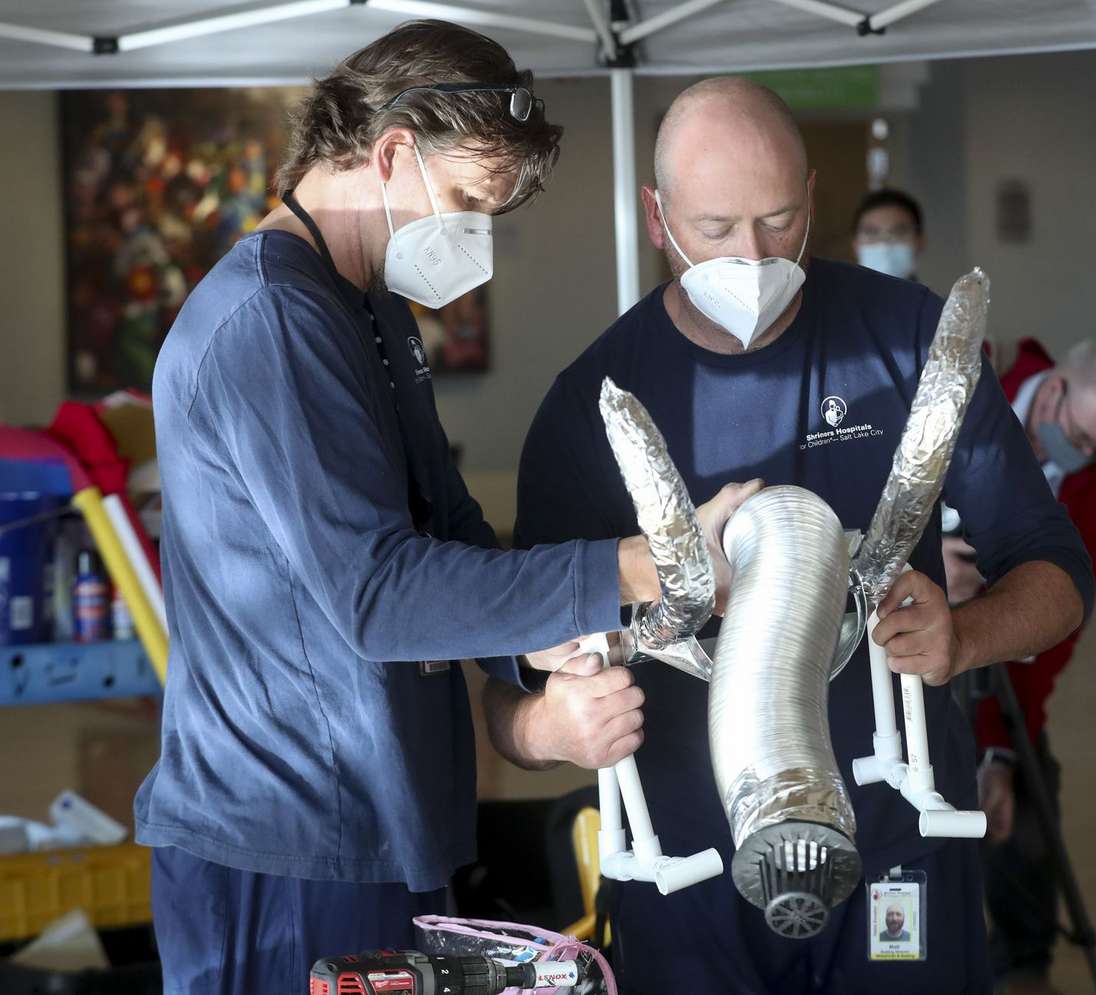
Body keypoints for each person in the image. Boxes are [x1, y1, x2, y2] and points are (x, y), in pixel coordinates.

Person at [134, 22, 758, 994]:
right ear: (390, 153)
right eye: (467, 202)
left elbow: (448, 525)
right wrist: (641, 563)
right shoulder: (272, 323)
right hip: (286, 837)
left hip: (381, 820)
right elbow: (377, 595)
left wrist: (540, 641)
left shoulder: (363, 306)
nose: (476, 237)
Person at [487, 77, 1094, 994]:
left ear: (813, 197)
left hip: (897, 836)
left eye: (777, 221)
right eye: (717, 228)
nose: (753, 255)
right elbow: (508, 688)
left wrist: (964, 635)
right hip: (691, 865)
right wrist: (550, 725)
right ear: (656, 219)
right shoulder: (593, 404)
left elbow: (1059, 570)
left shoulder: (911, 340)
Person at [943, 338, 1096, 995]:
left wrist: (999, 752)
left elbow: (1053, 640)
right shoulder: (975, 389)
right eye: (1082, 438)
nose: (1086, 458)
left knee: (1030, 799)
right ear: (1054, 391)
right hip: (899, 651)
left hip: (1001, 666)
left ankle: (1025, 968)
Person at [851, 187, 926, 280]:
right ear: (855, 245)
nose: (884, 245)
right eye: (872, 233)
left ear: (920, 242)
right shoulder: (835, 294)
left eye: (898, 233)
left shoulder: (939, 295)